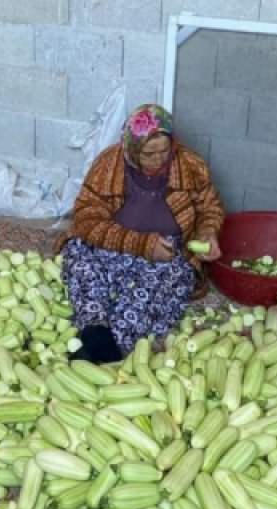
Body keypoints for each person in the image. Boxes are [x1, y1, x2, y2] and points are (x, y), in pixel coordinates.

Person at [59, 104, 224, 362]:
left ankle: (112, 341)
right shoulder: (108, 164)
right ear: (131, 148)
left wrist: (207, 232)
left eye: (164, 151)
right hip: (116, 248)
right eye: (149, 153)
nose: (158, 160)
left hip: (167, 256)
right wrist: (141, 245)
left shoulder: (190, 165)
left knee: (170, 280)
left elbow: (210, 207)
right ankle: (94, 326)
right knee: (78, 251)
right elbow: (86, 218)